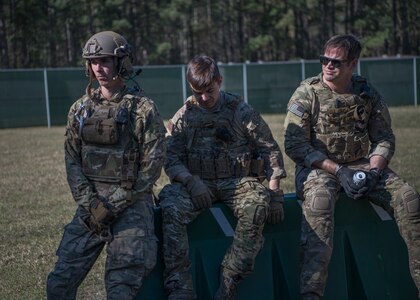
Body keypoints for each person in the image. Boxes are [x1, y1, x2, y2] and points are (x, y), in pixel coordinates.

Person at [284, 34, 420, 300]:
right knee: (319, 203)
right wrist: (338, 171)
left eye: (337, 62)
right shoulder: (307, 93)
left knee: (409, 201)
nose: (328, 66)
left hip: (363, 165)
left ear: (352, 64)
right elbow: (295, 145)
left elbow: (384, 138)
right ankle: (311, 294)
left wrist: (375, 170)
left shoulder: (365, 92)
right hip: (319, 168)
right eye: (325, 60)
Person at [46, 31, 166, 299]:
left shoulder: (143, 109)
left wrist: (119, 200)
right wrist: (90, 203)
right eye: (93, 62)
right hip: (92, 207)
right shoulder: (80, 109)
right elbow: (72, 160)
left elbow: (152, 164)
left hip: (132, 205)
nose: (98, 68)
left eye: (105, 61)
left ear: (122, 63)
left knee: (121, 288)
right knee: (59, 283)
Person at [158, 55, 287, 300]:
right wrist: (190, 181)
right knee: (170, 205)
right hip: (198, 183)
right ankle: (179, 285)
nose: (204, 98)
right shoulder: (185, 115)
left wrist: (275, 192)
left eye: (209, 90)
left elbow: (268, 148)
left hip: (236, 182)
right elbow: (170, 157)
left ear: (219, 81)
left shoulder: (240, 110)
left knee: (258, 204)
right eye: (198, 93)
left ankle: (230, 275)